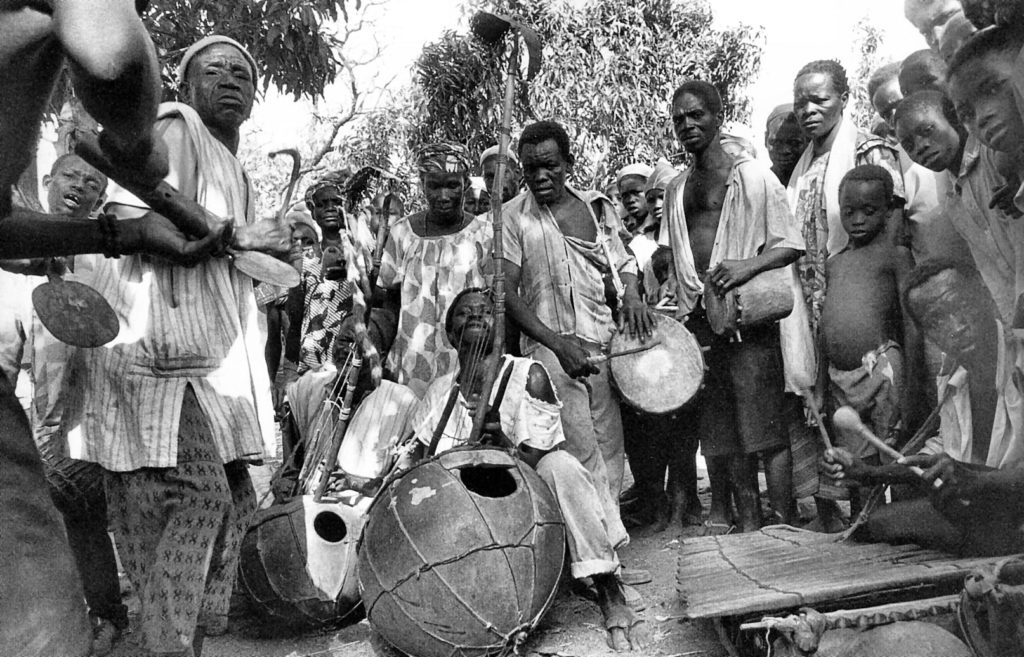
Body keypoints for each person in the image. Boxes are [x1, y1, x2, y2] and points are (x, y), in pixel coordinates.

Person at [58, 35, 286, 657]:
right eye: (215, 70)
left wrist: (259, 249)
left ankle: (173, 632)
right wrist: (241, 236)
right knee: (200, 496)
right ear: (184, 85)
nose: (232, 80)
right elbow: (152, 218)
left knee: (229, 497)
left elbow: (222, 252)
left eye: (244, 73)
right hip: (156, 350)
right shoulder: (178, 125)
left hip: (201, 359)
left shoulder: (232, 164)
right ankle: (166, 643)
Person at [407, 288, 648, 652]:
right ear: (451, 335)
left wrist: (499, 442)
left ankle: (607, 587)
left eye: (485, 310)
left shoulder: (527, 374)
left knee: (561, 466)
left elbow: (535, 459)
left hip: (521, 510)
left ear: (502, 329)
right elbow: (424, 461)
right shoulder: (441, 391)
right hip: (462, 524)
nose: (475, 315)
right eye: (463, 313)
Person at [661, 80, 807, 532]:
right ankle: (747, 521)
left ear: (717, 117)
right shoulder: (675, 189)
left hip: (748, 316)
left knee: (765, 425)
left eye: (696, 115)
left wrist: (746, 266)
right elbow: (674, 253)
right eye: (679, 118)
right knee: (723, 429)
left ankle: (783, 522)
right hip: (702, 320)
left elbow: (789, 244)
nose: (687, 125)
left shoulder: (753, 177)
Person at [823, 259, 1023, 556]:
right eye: (936, 321)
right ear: (927, 334)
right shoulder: (954, 378)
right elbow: (943, 456)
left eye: (960, 305)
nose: (956, 326)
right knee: (878, 523)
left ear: (985, 293)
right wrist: (868, 473)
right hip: (1002, 508)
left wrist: (978, 481)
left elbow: (972, 475)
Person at [502, 120, 651, 517]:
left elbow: (623, 261)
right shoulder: (512, 217)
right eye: (530, 168)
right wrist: (557, 345)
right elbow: (507, 293)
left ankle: (610, 546)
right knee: (579, 450)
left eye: (549, 165)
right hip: (551, 352)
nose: (540, 175)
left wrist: (633, 295)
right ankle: (598, 559)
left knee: (609, 447)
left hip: (602, 346)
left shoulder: (595, 207)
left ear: (568, 162)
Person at [821, 165, 921, 510]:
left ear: (888, 210)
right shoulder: (835, 263)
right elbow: (825, 327)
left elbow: (912, 322)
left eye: (869, 210)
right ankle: (867, 522)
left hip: (883, 371)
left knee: (896, 451)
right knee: (854, 459)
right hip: (841, 378)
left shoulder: (895, 255)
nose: (858, 219)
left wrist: (913, 386)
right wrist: (822, 382)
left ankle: (905, 521)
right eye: (849, 212)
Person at [895, 89, 1021, 324]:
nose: (920, 147)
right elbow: (992, 273)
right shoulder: (952, 198)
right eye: (909, 145)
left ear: (953, 118)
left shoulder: (995, 157)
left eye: (927, 131)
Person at [378, 143, 492, 398]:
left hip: (467, 363)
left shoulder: (483, 233)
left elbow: (494, 303)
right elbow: (389, 302)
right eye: (434, 186)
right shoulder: (401, 233)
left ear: (465, 183)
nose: (443, 196)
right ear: (422, 185)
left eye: (452, 185)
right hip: (410, 363)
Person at [277, 309, 417, 503]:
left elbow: (407, 486)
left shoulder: (403, 403)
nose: (349, 351)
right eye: (343, 341)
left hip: (366, 515)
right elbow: (289, 470)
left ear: (381, 357)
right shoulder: (309, 387)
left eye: (359, 345)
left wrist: (353, 483)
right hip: (307, 508)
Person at [288, 172, 359, 374]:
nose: (330, 208)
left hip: (350, 362)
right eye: (322, 204)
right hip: (311, 365)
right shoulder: (304, 259)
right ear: (313, 210)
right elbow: (294, 320)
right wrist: (288, 371)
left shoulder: (362, 254)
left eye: (336, 202)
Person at [765, 104, 809, 187]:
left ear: (808, 143)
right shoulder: (758, 184)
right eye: (776, 142)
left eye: (794, 143)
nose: (785, 150)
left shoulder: (819, 183)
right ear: (765, 140)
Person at [616, 163, 653, 234]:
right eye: (624, 195)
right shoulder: (624, 235)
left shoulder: (667, 228)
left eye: (636, 192)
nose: (630, 200)